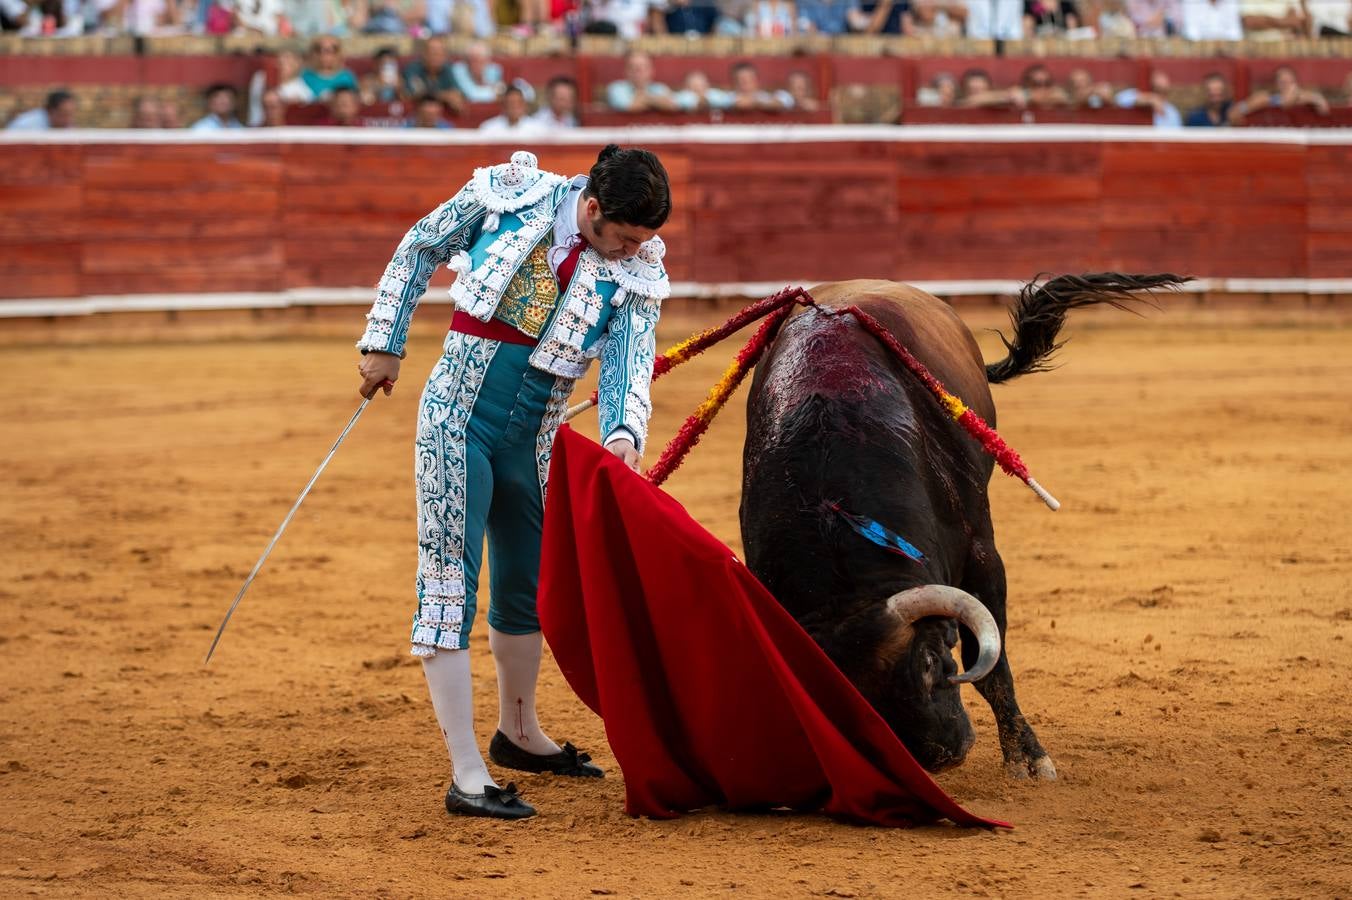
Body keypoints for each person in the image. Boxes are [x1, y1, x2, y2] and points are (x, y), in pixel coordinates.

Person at [354, 145, 672, 820]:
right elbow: (419, 246)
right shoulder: (512, 194)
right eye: (621, 237)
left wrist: (622, 435)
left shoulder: (638, 265)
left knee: (525, 585)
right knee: (448, 583)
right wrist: (385, 341)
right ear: (591, 207)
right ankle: (467, 772)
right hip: (456, 422)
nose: (628, 254)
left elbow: (629, 359)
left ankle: (518, 732)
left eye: (639, 242)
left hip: (534, 438)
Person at [605, 49, 676, 112]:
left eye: (643, 67)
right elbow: (627, 106)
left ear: (651, 71)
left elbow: (672, 105)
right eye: (633, 67)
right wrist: (657, 102)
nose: (638, 71)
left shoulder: (659, 88)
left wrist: (644, 99)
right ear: (626, 71)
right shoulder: (616, 88)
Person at [478, 84, 543, 132]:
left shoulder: (537, 129)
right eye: (511, 103)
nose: (515, 107)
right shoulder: (488, 128)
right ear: (504, 106)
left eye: (518, 103)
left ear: (524, 106)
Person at [6, 89, 75, 131]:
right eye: (64, 114)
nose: (68, 120)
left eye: (70, 115)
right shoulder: (25, 126)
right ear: (50, 111)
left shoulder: (66, 127)